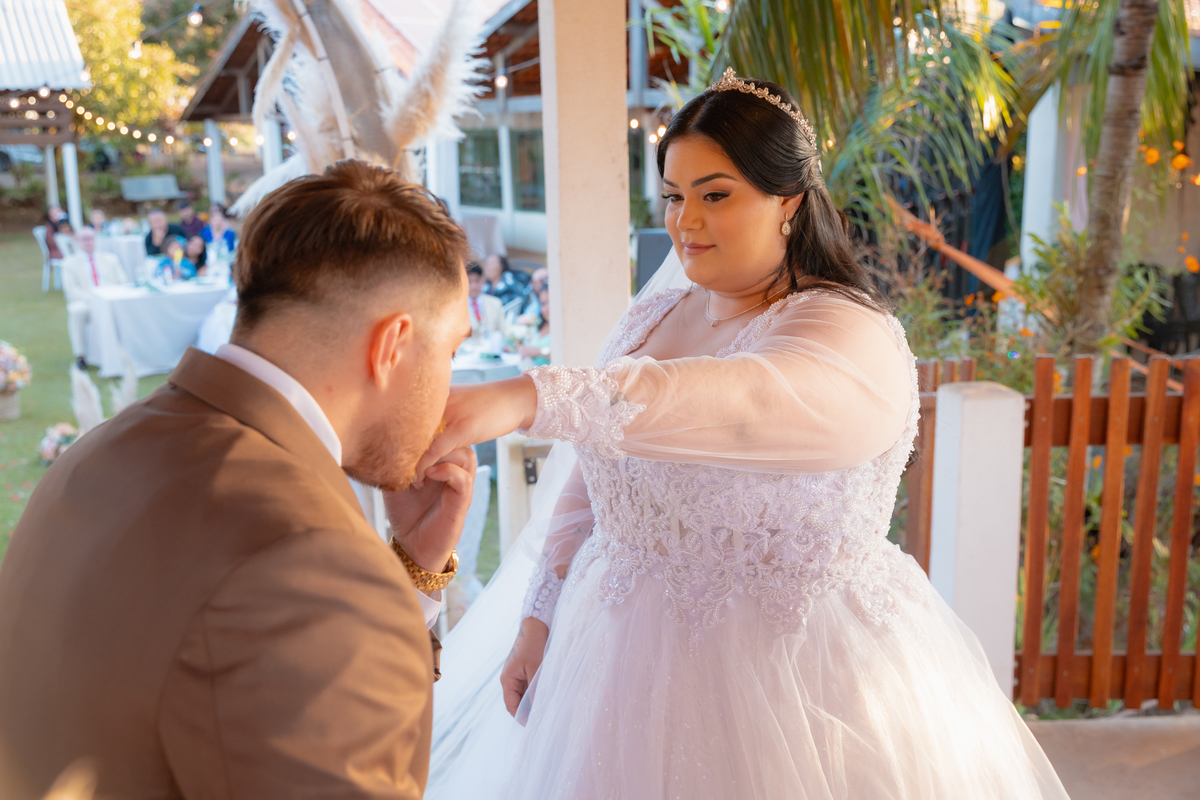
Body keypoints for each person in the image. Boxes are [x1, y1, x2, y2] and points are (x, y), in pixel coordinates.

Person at [421, 73, 1070, 799]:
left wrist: (529, 395)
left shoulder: (845, 331)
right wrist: (539, 617)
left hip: (794, 679)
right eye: (674, 195)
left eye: (715, 194)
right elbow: (597, 469)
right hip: (612, 659)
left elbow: (740, 405)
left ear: (788, 200)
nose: (683, 220)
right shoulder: (653, 317)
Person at [0, 160, 476, 799]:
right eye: (451, 351)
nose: (452, 384)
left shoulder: (97, 454)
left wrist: (414, 568)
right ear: (392, 345)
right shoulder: (315, 564)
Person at [60, 227, 129, 369]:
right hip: (86, 300)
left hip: (111, 298)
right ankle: (81, 355)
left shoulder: (110, 259)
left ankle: (126, 349)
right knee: (77, 311)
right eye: (83, 239)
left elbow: (123, 281)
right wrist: (94, 298)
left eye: (90, 238)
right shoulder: (69, 263)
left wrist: (109, 296)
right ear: (77, 242)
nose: (88, 242)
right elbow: (71, 290)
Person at [466, 263, 505, 340]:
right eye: (469, 282)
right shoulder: (455, 307)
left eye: (477, 281)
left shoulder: (496, 303)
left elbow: (503, 331)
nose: (473, 286)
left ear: (483, 281)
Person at [516, 283, 551, 366]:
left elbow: (563, 355)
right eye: (543, 304)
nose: (547, 308)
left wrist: (539, 351)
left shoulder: (563, 329)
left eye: (550, 302)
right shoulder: (537, 325)